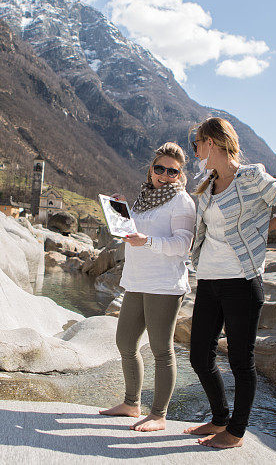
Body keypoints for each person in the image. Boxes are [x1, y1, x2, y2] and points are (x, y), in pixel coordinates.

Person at [183, 117, 276, 449]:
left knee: (240, 361)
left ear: (213, 142)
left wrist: (262, 229)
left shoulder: (251, 177)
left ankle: (235, 433)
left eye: (197, 143)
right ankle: (219, 418)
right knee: (199, 357)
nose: (194, 150)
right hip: (209, 280)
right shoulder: (207, 182)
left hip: (242, 280)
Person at [99, 142, 196, 432]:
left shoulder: (182, 202)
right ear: (151, 170)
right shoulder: (144, 199)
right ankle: (131, 404)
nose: (165, 175)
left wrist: (147, 241)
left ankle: (159, 415)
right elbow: (133, 234)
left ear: (180, 175)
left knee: (161, 350)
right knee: (126, 342)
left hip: (164, 285)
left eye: (172, 171)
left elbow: (183, 246)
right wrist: (121, 213)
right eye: (160, 168)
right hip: (136, 281)